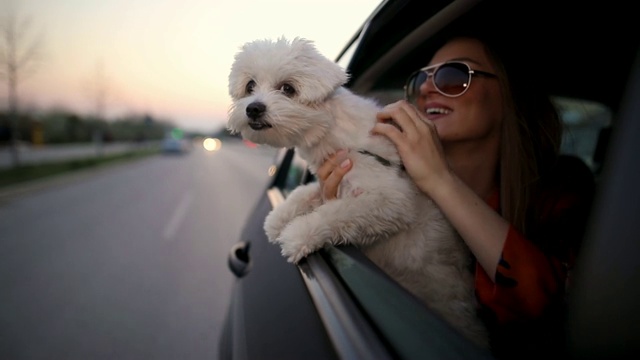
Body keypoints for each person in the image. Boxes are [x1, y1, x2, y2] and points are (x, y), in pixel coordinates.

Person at [316, 34, 595, 358]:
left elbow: (555, 311)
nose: (425, 89)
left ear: (509, 96)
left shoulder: (559, 190)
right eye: (421, 78)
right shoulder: (385, 180)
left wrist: (440, 180)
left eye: (454, 76)